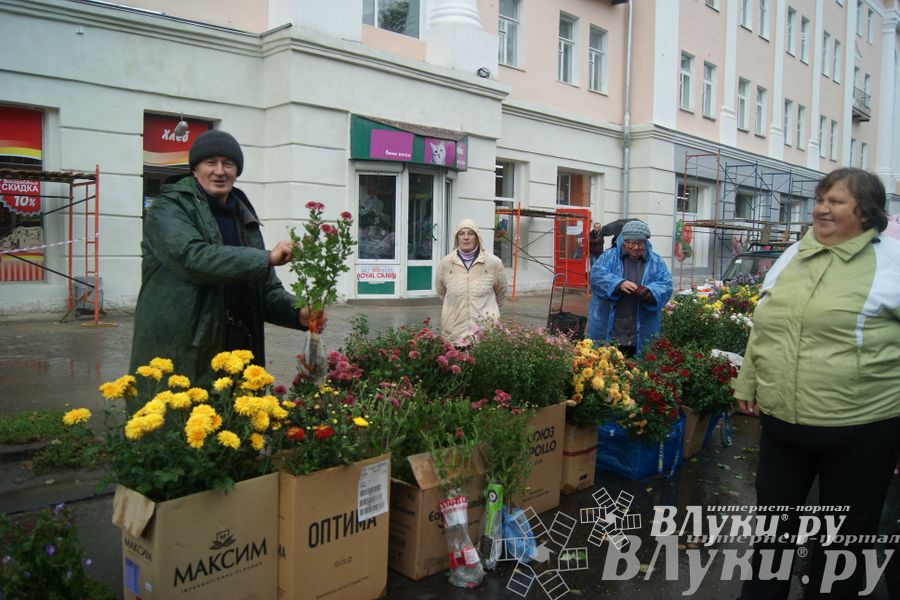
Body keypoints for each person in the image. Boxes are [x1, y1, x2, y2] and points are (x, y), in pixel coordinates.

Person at [732, 168, 900, 599]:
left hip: (861, 430)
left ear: (865, 212)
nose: (822, 208)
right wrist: (747, 383)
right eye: (820, 198)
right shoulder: (793, 255)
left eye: (836, 201)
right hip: (784, 425)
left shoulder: (892, 264)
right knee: (772, 534)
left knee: (841, 543)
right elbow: (764, 325)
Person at [130, 130, 323, 385]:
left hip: (239, 345)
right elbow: (192, 258)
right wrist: (264, 258)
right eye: (210, 162)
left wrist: (296, 312)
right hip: (185, 347)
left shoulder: (243, 215)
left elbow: (264, 289)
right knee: (182, 419)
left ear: (236, 171)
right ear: (195, 169)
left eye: (228, 163)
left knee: (237, 418)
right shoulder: (168, 207)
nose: (219, 171)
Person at [586, 220, 672, 356]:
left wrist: (650, 292)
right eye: (630, 243)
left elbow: (666, 284)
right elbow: (596, 276)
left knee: (640, 366)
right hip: (611, 323)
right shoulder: (609, 256)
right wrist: (618, 284)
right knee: (607, 365)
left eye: (640, 243)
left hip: (642, 324)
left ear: (645, 242)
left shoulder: (656, 261)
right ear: (623, 240)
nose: (635, 247)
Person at [435, 219, 507, 345]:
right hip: (454, 334)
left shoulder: (493, 263)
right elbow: (441, 292)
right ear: (457, 238)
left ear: (477, 237)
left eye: (470, 233)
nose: (466, 237)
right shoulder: (446, 264)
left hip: (484, 335)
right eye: (462, 234)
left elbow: (501, 294)